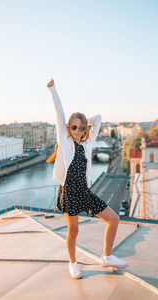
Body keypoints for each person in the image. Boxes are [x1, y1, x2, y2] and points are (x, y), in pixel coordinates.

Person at [46, 78, 129, 279]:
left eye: (82, 128)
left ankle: (107, 257)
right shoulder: (64, 142)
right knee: (73, 231)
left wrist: (84, 119)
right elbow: (59, 113)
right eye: (74, 127)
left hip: (85, 192)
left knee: (114, 219)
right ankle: (72, 263)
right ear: (68, 128)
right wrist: (53, 89)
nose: (78, 131)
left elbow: (98, 118)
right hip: (69, 193)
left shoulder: (88, 143)